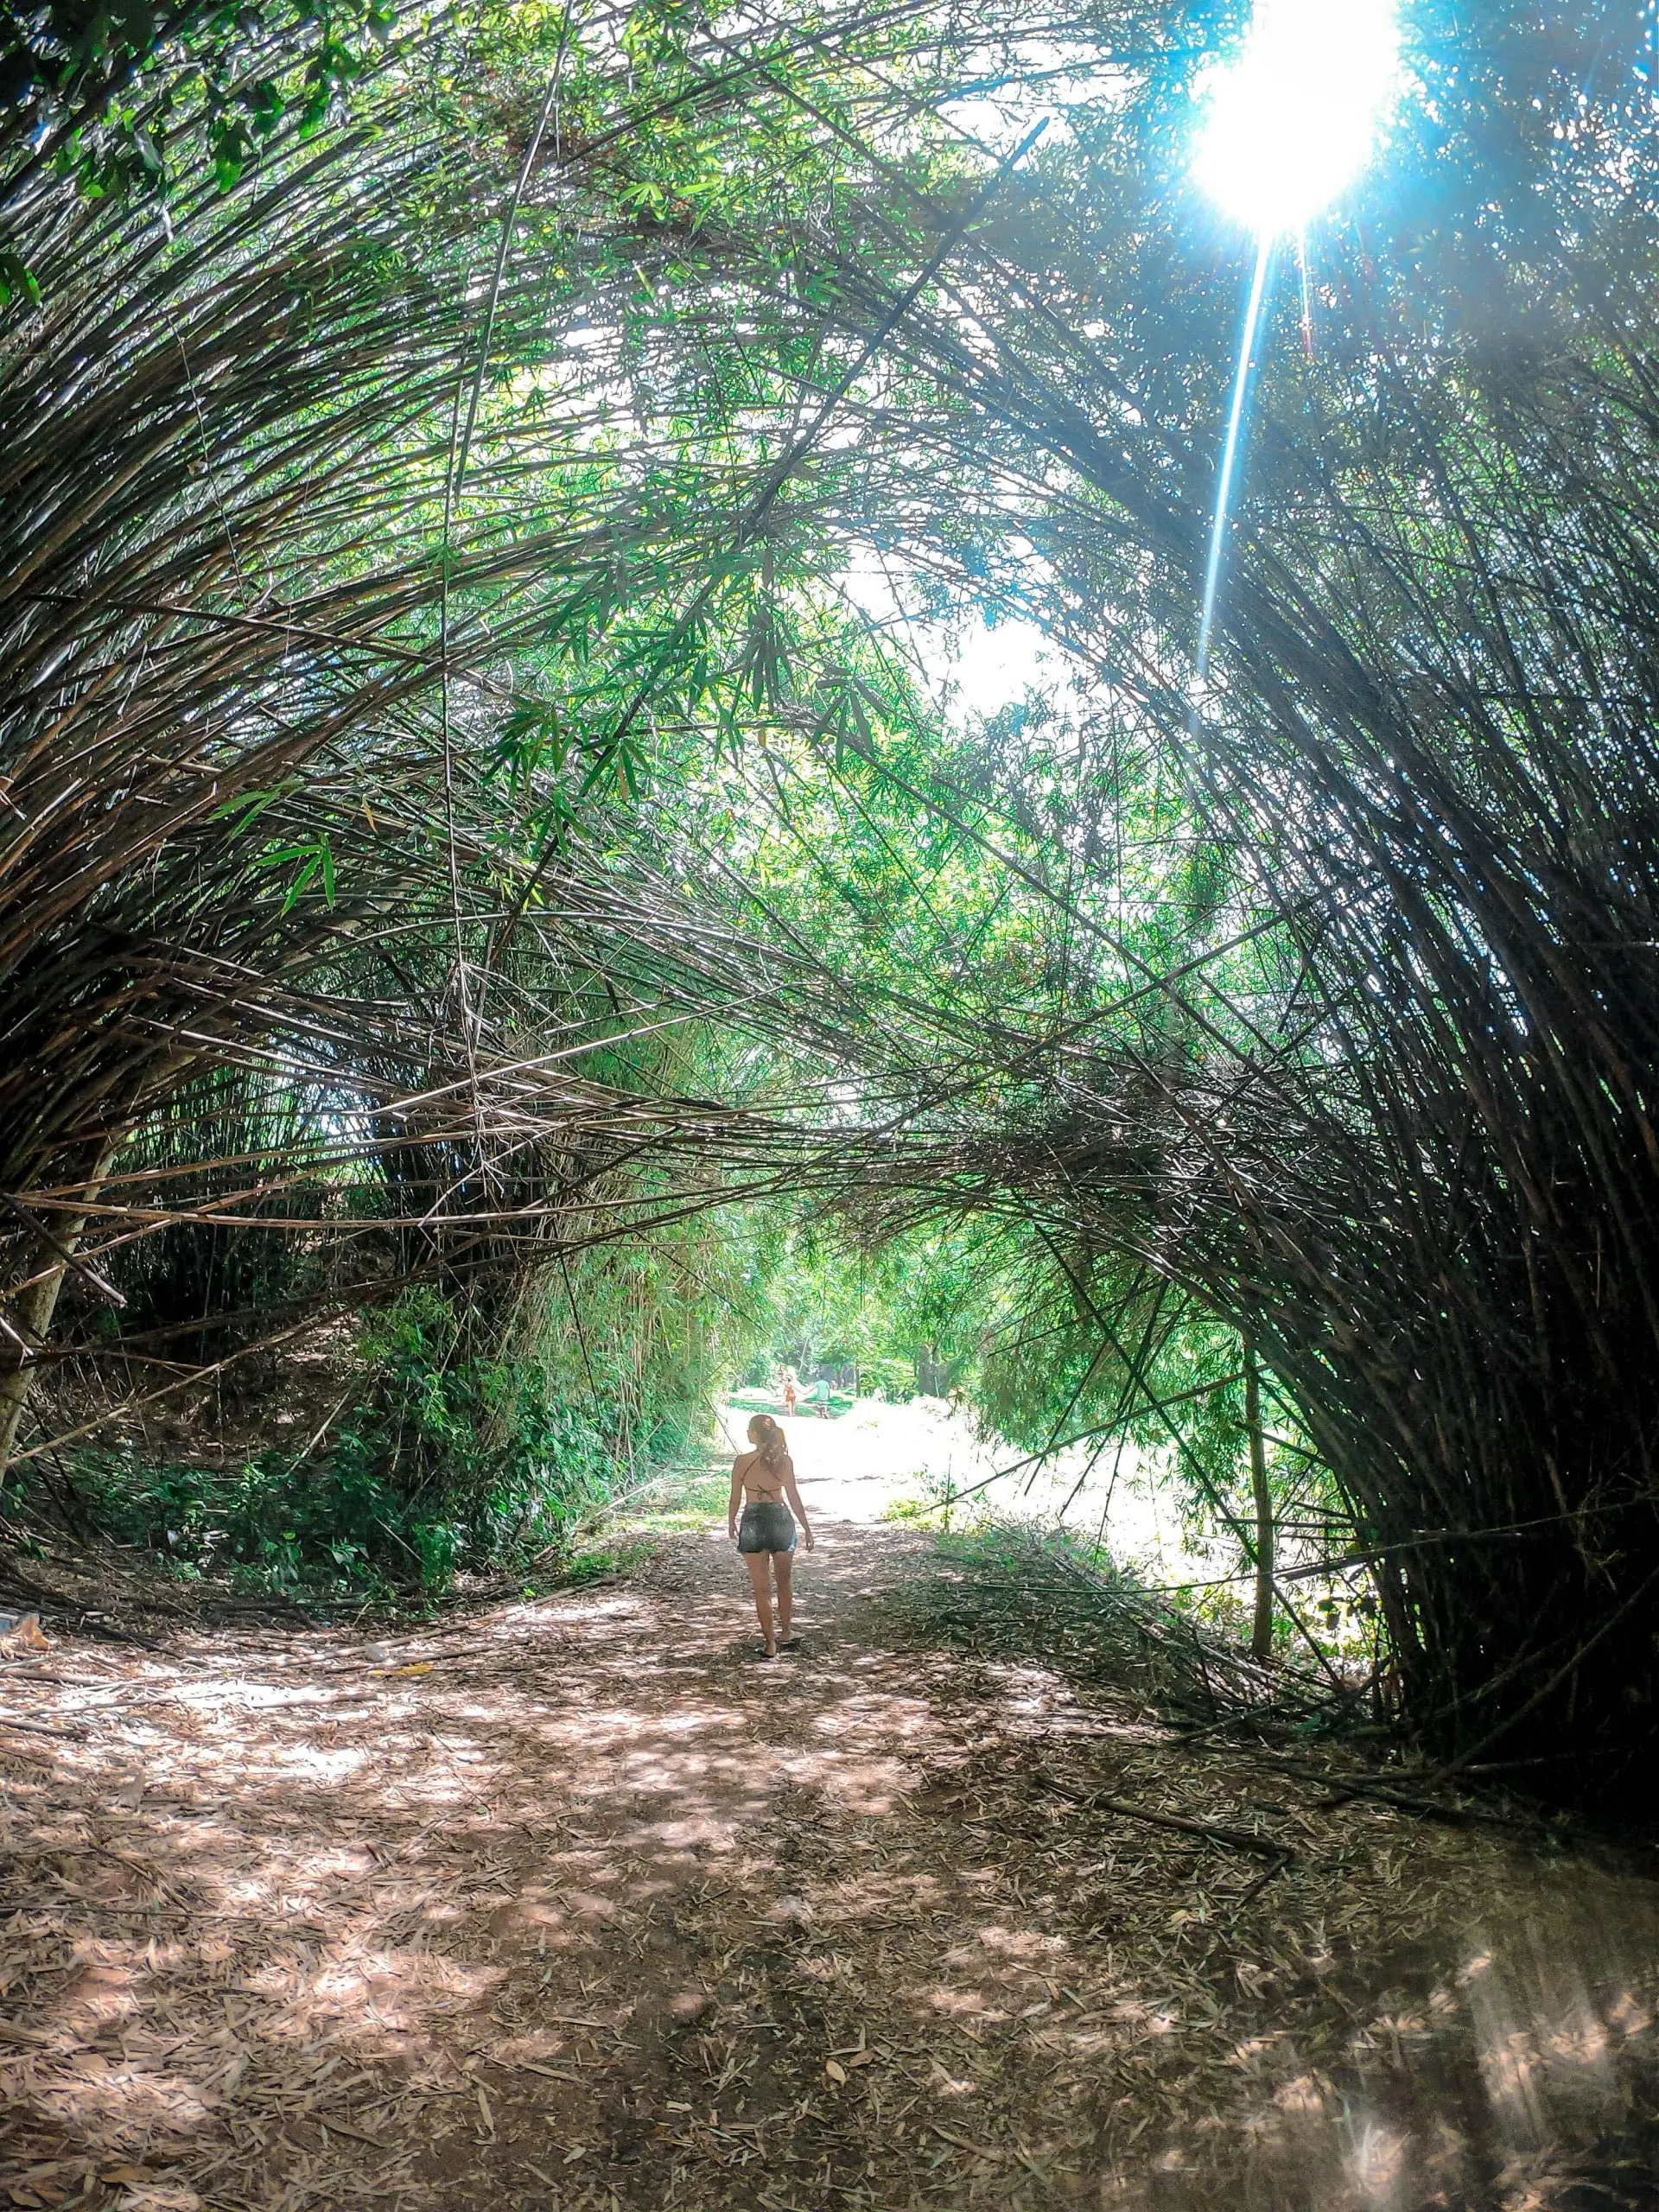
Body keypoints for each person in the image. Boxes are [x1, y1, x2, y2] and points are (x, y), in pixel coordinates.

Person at [728, 1412, 813, 1656]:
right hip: (780, 1518)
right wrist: (806, 1527)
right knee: (785, 1582)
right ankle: (786, 1631)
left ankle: (770, 1645)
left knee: (761, 1588)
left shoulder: (741, 1461)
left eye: (749, 1429)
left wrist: (731, 1521)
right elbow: (794, 1497)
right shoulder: (784, 1461)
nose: (747, 1433)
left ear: (755, 1434)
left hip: (753, 1519)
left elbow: (735, 1497)